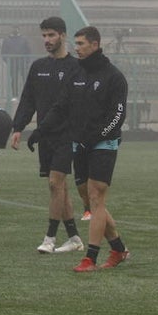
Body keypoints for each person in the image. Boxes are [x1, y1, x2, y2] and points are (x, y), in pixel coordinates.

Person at [39, 26, 132, 271]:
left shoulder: (114, 77)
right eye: (76, 44)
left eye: (80, 44)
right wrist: (41, 129)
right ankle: (119, 250)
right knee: (89, 201)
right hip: (79, 142)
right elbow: (61, 106)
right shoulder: (76, 73)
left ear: (95, 44)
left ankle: (90, 257)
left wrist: (100, 135)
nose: (76, 48)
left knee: (96, 196)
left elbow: (118, 115)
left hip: (104, 142)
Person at [10, 17, 85, 255]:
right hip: (45, 135)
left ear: (63, 35)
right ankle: (74, 238)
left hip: (68, 134)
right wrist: (18, 127)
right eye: (44, 36)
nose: (47, 40)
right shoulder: (38, 67)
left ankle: (50, 238)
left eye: (51, 35)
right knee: (58, 187)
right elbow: (28, 100)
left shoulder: (76, 67)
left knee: (55, 183)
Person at [0, 26, 33, 101]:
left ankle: (26, 95)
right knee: (14, 79)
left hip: (22, 62)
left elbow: (28, 51)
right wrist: (7, 61)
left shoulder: (24, 39)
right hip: (12, 62)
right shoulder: (7, 39)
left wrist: (27, 61)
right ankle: (15, 95)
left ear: (19, 29)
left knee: (25, 78)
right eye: (14, 28)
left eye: (16, 28)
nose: (15, 30)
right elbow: (3, 52)